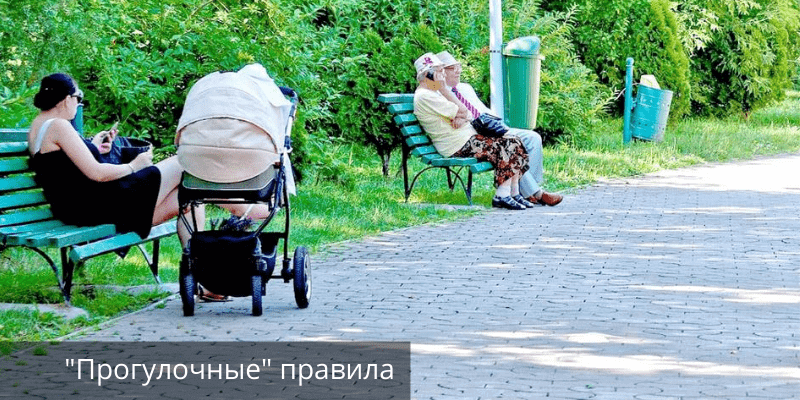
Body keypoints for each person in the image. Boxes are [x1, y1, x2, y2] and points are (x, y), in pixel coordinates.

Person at [435, 51, 563, 206]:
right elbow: (454, 119)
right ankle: (536, 193)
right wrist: (462, 117)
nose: (458, 71)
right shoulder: (440, 95)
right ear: (441, 72)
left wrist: (499, 125)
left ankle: (531, 190)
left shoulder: (465, 88)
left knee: (533, 138)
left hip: (491, 128)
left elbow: (482, 111)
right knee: (511, 144)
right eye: (452, 68)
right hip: (475, 135)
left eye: (458, 66)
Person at [412, 53, 532, 210]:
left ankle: (514, 193)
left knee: (514, 140)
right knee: (508, 145)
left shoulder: (433, 92)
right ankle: (501, 196)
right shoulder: (426, 96)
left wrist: (461, 115)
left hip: (467, 139)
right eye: (440, 71)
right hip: (456, 145)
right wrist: (445, 91)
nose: (442, 76)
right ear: (428, 74)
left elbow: (466, 113)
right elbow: (462, 109)